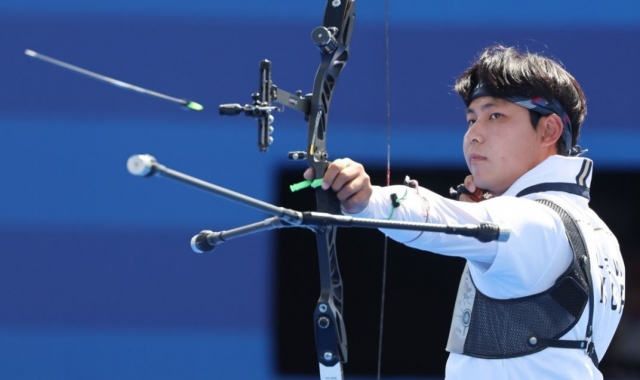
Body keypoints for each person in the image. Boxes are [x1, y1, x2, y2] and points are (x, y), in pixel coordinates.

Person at [304, 45, 625, 379]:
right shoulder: (600, 235)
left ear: (549, 130)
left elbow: (443, 217)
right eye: (471, 119)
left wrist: (370, 201)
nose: (474, 134)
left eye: (495, 115)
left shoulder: (535, 222)